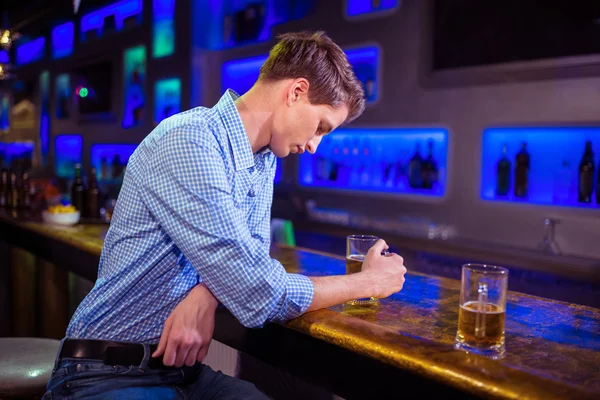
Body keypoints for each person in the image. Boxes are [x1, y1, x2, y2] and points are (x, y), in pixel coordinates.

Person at [43, 31, 407, 399]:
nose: (315, 146)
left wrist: (207, 292)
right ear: (296, 91)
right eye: (321, 127)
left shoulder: (263, 161)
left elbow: (250, 260)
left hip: (178, 373)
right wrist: (367, 283)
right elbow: (258, 289)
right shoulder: (190, 140)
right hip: (103, 372)